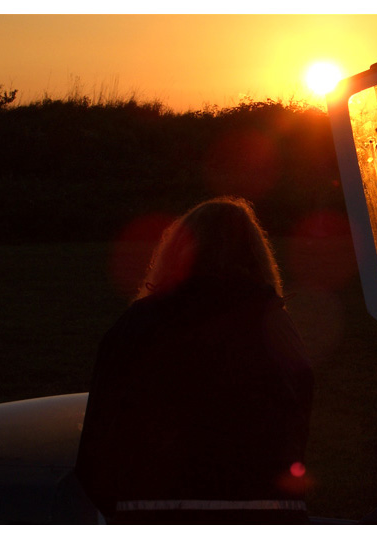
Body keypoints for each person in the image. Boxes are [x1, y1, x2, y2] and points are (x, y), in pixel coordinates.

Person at [75, 197, 314, 524]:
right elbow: (296, 437)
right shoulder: (279, 330)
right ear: (257, 256)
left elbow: (96, 447)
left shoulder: (137, 327)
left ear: (177, 251)